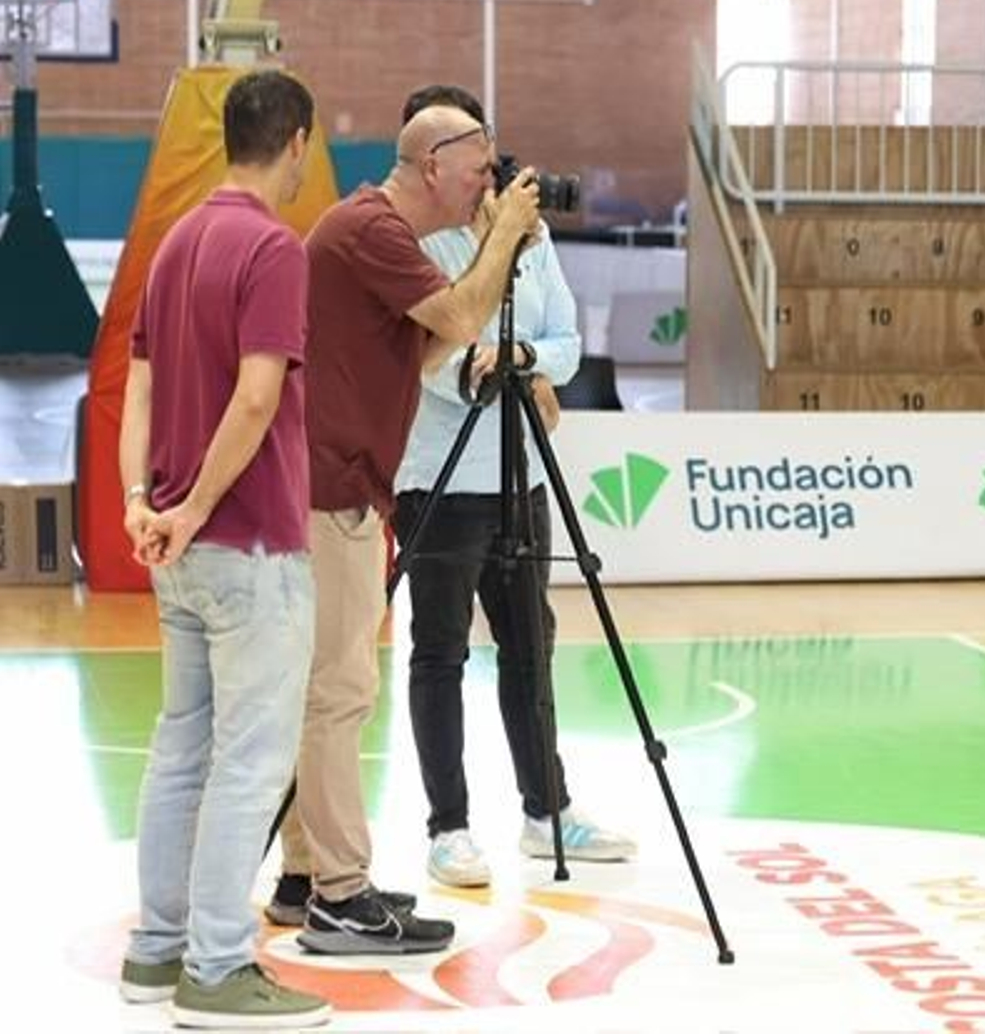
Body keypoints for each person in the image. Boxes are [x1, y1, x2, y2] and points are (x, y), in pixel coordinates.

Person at [265, 98, 544, 954]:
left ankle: (307, 876)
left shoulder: (372, 234)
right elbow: (460, 319)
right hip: (332, 492)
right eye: (478, 171)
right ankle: (340, 896)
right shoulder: (374, 230)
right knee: (342, 692)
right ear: (434, 166)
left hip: (341, 489)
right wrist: (503, 241)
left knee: (330, 689)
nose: (486, 187)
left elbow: (418, 351)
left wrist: (496, 260)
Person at [117, 69, 330, 1028]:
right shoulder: (274, 250)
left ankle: (156, 955)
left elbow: (141, 392)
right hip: (244, 546)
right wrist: (199, 507)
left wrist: (142, 504)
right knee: (250, 761)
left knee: (180, 750)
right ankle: (215, 969)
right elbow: (255, 399)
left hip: (176, 547)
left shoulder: (173, 246)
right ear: (295, 144)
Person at [392, 85, 635, 888]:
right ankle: (448, 827)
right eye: (466, 156)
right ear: (435, 164)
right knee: (440, 654)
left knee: (531, 646)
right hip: (438, 478)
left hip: (520, 474)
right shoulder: (418, 243)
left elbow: (566, 341)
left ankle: (547, 809)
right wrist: (478, 364)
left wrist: (525, 359)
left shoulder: (530, 239)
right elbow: (424, 357)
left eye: (484, 152)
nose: (480, 170)